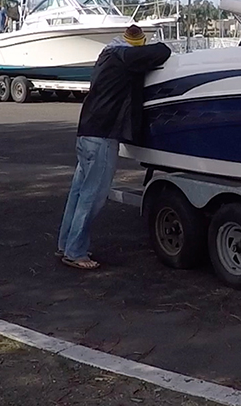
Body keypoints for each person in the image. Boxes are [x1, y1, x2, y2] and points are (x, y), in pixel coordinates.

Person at [56, 25, 171, 270]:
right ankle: (76, 252)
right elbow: (162, 51)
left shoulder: (105, 55)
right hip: (103, 137)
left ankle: (66, 244)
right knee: (92, 197)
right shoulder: (124, 56)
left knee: (78, 194)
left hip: (86, 133)